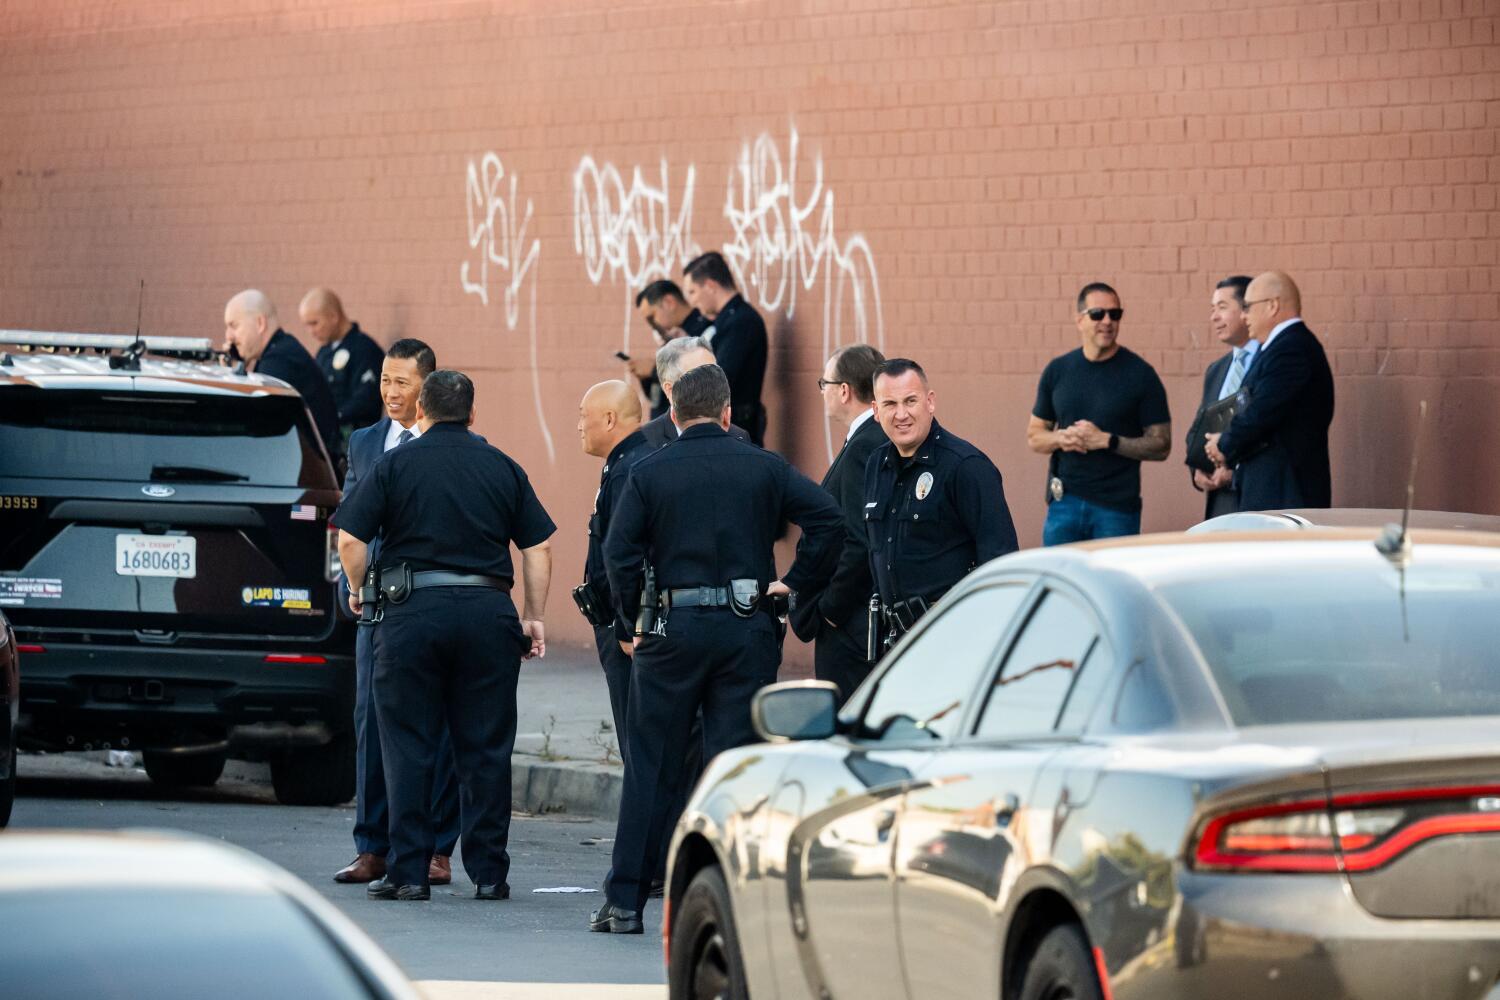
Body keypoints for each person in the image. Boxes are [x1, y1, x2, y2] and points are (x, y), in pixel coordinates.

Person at [589, 364, 842, 933]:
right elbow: (829, 520)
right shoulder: (764, 466)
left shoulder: (650, 470)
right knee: (733, 765)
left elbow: (618, 552)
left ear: (673, 415)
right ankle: (731, 898)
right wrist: (795, 582)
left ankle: (626, 901)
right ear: (729, 414)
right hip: (745, 629)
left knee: (651, 764)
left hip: (671, 631)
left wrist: (633, 619)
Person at [335, 370, 555, 901]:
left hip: (411, 615)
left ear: (420, 414)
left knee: (407, 744)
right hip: (487, 615)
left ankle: (409, 871)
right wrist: (531, 615)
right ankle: (489, 872)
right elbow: (539, 547)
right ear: (472, 414)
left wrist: (361, 590)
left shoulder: (394, 464)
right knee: (484, 747)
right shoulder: (503, 466)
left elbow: (349, 539)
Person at [331, 339, 462, 890]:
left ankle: (435, 847)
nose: (389, 392)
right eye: (385, 380)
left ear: (426, 388)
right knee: (370, 720)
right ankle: (372, 847)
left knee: (437, 727)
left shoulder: (452, 445)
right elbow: (349, 520)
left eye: (401, 382)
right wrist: (350, 584)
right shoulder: (364, 443)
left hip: (429, 602)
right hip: (374, 603)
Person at [865, 359, 1019, 653]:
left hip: (954, 639)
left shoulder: (966, 467)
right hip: (896, 642)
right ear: (875, 411)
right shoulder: (877, 464)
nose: (901, 414)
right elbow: (879, 552)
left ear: (930, 401)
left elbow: (1000, 562)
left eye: (910, 401)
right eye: (889, 404)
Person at [1027, 282, 1171, 544]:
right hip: (1063, 503)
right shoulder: (1058, 370)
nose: (1107, 321)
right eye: (1098, 314)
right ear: (1079, 319)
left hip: (1116, 509)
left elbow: (1161, 445)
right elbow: (1035, 436)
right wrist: (1062, 438)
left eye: (1115, 314)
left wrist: (1107, 440)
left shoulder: (1141, 375)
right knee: (1059, 579)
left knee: (1112, 582)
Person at [788, 343, 889, 700]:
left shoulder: (865, 445)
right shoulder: (869, 439)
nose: (823, 393)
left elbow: (859, 537)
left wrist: (831, 609)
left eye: (824, 384)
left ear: (843, 390)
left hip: (851, 626)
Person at [1206, 271, 1335, 510]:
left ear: (1272, 306)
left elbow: (1262, 411)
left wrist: (1224, 443)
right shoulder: (1279, 348)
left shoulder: (1291, 349)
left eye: (1248, 307)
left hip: (1285, 496)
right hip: (1270, 492)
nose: (1244, 316)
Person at [575, 380, 649, 766]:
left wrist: (624, 626)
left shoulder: (627, 470)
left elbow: (624, 556)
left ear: (609, 418)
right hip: (625, 624)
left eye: (583, 416)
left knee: (637, 743)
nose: (579, 426)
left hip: (625, 632)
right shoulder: (625, 464)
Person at [224, 289, 341, 462]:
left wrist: (233, 375)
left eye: (234, 326)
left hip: (309, 475)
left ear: (260, 323)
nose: (229, 336)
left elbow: (254, 427)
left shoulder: (278, 362)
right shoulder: (279, 353)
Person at [1187, 276, 1261, 518]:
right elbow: (1199, 428)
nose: (1214, 317)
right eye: (1212, 309)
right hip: (1220, 503)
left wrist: (1235, 473)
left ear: (1246, 309)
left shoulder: (1269, 362)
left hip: (1257, 499)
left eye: (1222, 307)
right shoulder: (1216, 370)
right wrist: (1198, 469)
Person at [681, 252, 768, 444]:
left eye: (693, 291)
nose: (692, 302)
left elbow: (721, 377)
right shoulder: (726, 320)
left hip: (736, 433)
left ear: (711, 286)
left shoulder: (741, 322)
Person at [301, 287, 385, 448]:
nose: (311, 331)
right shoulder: (324, 352)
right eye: (307, 325)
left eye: (314, 323)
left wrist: (332, 416)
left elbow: (366, 400)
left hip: (355, 442)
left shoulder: (364, 349)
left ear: (333, 316)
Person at [637, 336, 751, 449]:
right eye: (697, 378)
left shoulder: (738, 436)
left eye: (714, 373)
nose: (712, 383)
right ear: (670, 390)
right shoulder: (646, 440)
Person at [631, 280, 713, 419]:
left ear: (669, 302)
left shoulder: (704, 331)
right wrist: (646, 377)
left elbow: (699, 380)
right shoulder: (669, 337)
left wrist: (653, 370)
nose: (653, 325)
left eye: (652, 317)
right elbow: (658, 397)